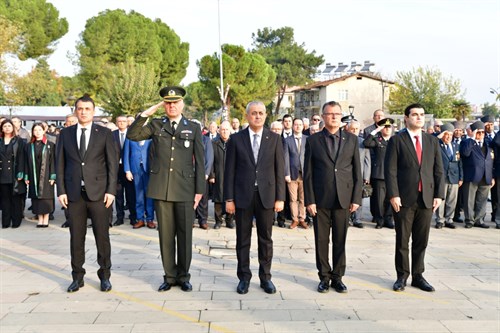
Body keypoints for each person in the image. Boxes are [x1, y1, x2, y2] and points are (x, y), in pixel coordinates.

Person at [127, 86, 205, 292]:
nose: (172, 106)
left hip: (186, 188)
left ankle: (184, 276)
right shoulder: (156, 124)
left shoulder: (193, 127)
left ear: (182, 104)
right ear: (164, 105)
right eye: (168, 103)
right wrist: (148, 112)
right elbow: (133, 134)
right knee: (166, 236)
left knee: (185, 235)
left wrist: (199, 191)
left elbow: (200, 161)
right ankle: (170, 276)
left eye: (175, 102)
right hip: (162, 188)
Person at [56, 95, 118, 293]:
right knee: (76, 237)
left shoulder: (105, 133)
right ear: (75, 111)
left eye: (87, 109)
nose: (83, 112)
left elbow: (112, 165)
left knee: (102, 237)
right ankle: (77, 277)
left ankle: (105, 276)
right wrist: (61, 191)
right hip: (74, 194)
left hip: (100, 194)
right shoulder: (65, 134)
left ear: (93, 111)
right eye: (80, 108)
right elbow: (59, 164)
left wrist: (111, 191)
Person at [224, 101, 285, 295]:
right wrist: (229, 199)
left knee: (265, 239)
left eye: (260, 113)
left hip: (267, 196)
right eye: (253, 113)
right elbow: (229, 171)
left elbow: (279, 170)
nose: (257, 116)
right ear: (247, 116)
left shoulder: (274, 139)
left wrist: (280, 198)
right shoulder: (236, 139)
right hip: (242, 196)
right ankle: (243, 277)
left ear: (265, 115)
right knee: (243, 239)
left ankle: (265, 277)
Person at [303, 101, 362, 294]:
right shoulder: (313, 140)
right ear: (323, 116)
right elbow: (308, 173)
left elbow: (357, 172)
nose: (335, 117)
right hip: (320, 199)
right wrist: (309, 200)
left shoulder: (351, 140)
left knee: (340, 239)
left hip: (343, 198)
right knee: (321, 240)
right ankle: (324, 277)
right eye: (330, 114)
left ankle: (338, 277)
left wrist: (356, 199)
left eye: (337, 113)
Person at [385, 103, 444, 293]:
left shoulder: (432, 141)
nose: (419, 118)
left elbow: (438, 170)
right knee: (402, 239)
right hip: (404, 198)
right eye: (415, 115)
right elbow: (390, 170)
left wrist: (439, 195)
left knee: (421, 240)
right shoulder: (397, 140)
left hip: (426, 198)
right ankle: (402, 276)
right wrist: (393, 194)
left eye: (421, 115)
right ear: (406, 118)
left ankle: (418, 276)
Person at [459, 120, 493, 229]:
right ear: (473, 132)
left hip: (485, 176)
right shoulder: (467, 142)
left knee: (482, 200)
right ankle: (469, 220)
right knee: (469, 200)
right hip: (471, 176)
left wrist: (491, 176)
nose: (481, 135)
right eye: (478, 132)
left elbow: (490, 160)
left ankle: (479, 219)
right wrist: (473, 138)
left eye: (482, 132)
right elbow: (465, 153)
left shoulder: (487, 143)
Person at [363, 118, 395, 229]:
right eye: (385, 127)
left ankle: (388, 219)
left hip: (392, 175)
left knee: (390, 198)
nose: (387, 129)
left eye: (389, 127)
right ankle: (380, 220)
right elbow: (366, 143)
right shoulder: (377, 139)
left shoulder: (394, 140)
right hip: (379, 174)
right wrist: (375, 131)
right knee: (379, 200)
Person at [25, 123, 56, 228]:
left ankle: (46, 219)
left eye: (39, 130)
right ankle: (40, 218)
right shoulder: (29, 146)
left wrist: (53, 176)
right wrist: (26, 176)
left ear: (44, 131)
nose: (37, 132)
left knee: (46, 197)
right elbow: (25, 162)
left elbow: (53, 161)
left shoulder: (50, 145)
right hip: (34, 174)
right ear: (32, 132)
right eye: (35, 130)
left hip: (46, 174)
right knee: (36, 197)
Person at [435, 123, 462, 229]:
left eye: (450, 135)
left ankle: (449, 219)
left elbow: (460, 163)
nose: (449, 137)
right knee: (441, 199)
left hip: (454, 176)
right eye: (446, 134)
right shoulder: (437, 145)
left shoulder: (456, 146)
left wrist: (461, 177)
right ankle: (440, 220)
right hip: (442, 176)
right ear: (442, 135)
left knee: (452, 200)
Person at [0, 119, 27, 228]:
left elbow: (21, 158)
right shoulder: (0, 140)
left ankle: (16, 221)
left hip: (15, 173)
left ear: (13, 128)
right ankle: (6, 222)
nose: (7, 128)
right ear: (2, 128)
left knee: (16, 198)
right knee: (4, 199)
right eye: (4, 126)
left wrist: (21, 172)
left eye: (9, 126)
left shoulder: (19, 141)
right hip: (2, 174)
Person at [209, 120, 234, 229]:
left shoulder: (234, 142)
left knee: (230, 198)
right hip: (218, 174)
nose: (224, 132)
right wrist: (211, 175)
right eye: (222, 129)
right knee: (218, 199)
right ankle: (218, 221)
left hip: (231, 175)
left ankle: (229, 220)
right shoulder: (213, 142)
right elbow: (210, 160)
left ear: (230, 131)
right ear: (219, 130)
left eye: (226, 129)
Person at [112, 115, 137, 226]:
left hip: (130, 169)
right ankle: (120, 217)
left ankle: (133, 217)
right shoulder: (112, 135)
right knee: (118, 195)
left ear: (127, 123)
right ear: (116, 123)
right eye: (119, 121)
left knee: (131, 194)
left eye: (123, 121)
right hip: (117, 169)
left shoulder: (132, 135)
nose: (121, 123)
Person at [284, 118, 308, 229]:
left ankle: (302, 219)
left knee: (303, 199)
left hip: (304, 174)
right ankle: (295, 219)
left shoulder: (307, 140)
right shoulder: (287, 140)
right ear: (293, 126)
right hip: (292, 175)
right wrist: (286, 173)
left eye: (300, 124)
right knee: (293, 199)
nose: (298, 126)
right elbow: (286, 157)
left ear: (303, 126)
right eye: (296, 124)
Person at [346, 120, 370, 228]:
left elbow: (367, 160)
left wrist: (366, 176)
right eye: (352, 129)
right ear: (348, 129)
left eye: (356, 129)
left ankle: (357, 218)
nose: (355, 131)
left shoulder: (362, 142)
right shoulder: (344, 141)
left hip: (359, 175)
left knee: (358, 197)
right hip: (346, 175)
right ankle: (347, 218)